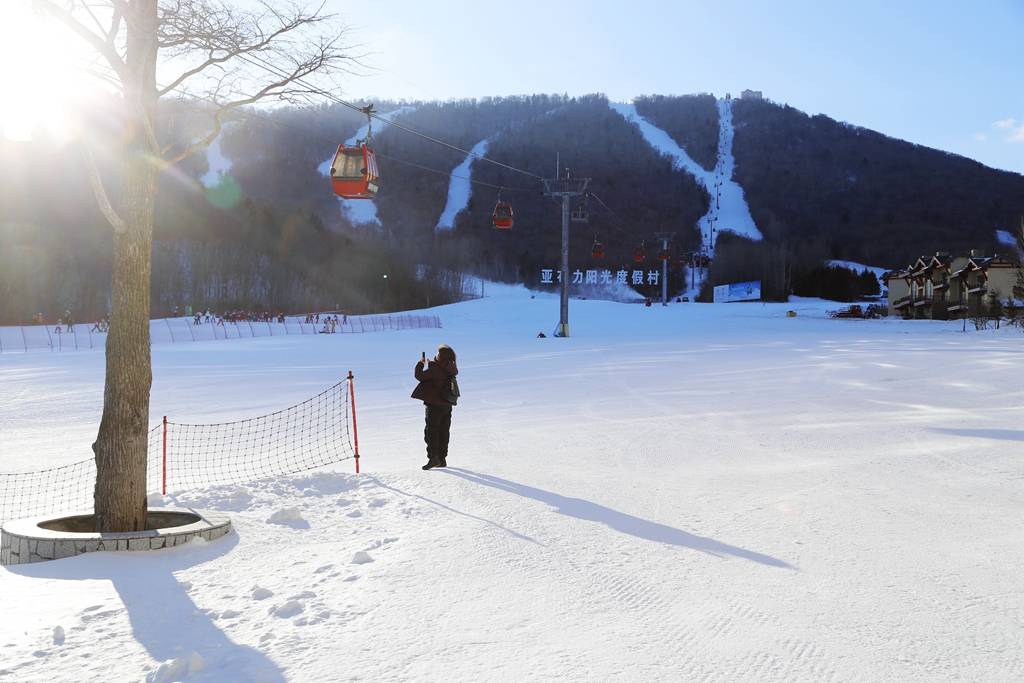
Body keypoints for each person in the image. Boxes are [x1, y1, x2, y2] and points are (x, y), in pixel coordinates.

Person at [411, 344, 458, 470]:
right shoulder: (451, 368)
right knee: (444, 431)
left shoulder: (435, 369)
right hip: (447, 405)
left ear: (441, 357)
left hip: (434, 405)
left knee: (431, 432)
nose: (435, 355)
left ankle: (433, 458)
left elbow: (419, 376)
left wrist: (420, 364)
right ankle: (442, 459)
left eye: (438, 354)